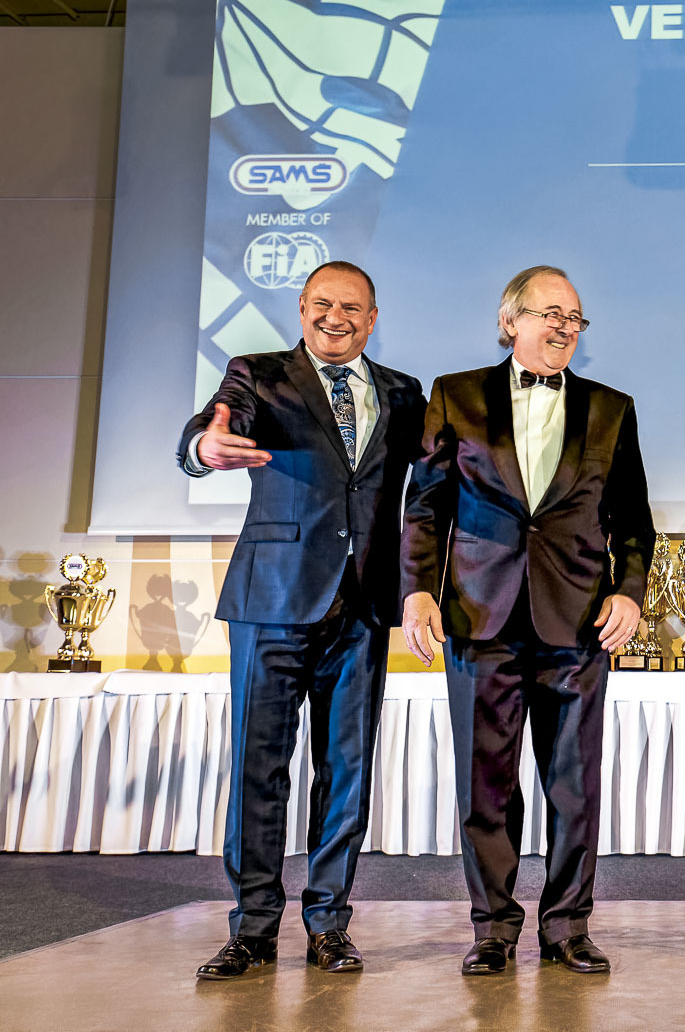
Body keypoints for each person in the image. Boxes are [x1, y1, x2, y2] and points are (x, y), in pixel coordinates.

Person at [401, 265, 655, 976]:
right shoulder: (455, 395)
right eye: (551, 313)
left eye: (575, 317)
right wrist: (417, 591)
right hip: (480, 618)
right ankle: (492, 927)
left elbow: (633, 520)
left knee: (574, 787)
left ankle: (568, 925)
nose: (565, 327)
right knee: (486, 786)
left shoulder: (611, 408)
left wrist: (629, 592)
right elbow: (426, 507)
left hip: (578, 623)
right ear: (510, 320)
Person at [177, 260, 424, 978]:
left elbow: (432, 483)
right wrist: (202, 447)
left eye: (351, 307)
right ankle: (253, 927)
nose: (334, 317)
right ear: (302, 306)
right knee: (259, 768)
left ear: (372, 318)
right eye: (322, 303)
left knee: (346, 770)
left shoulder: (404, 392)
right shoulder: (258, 373)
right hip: (272, 600)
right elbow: (217, 422)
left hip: (363, 604)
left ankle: (328, 923)